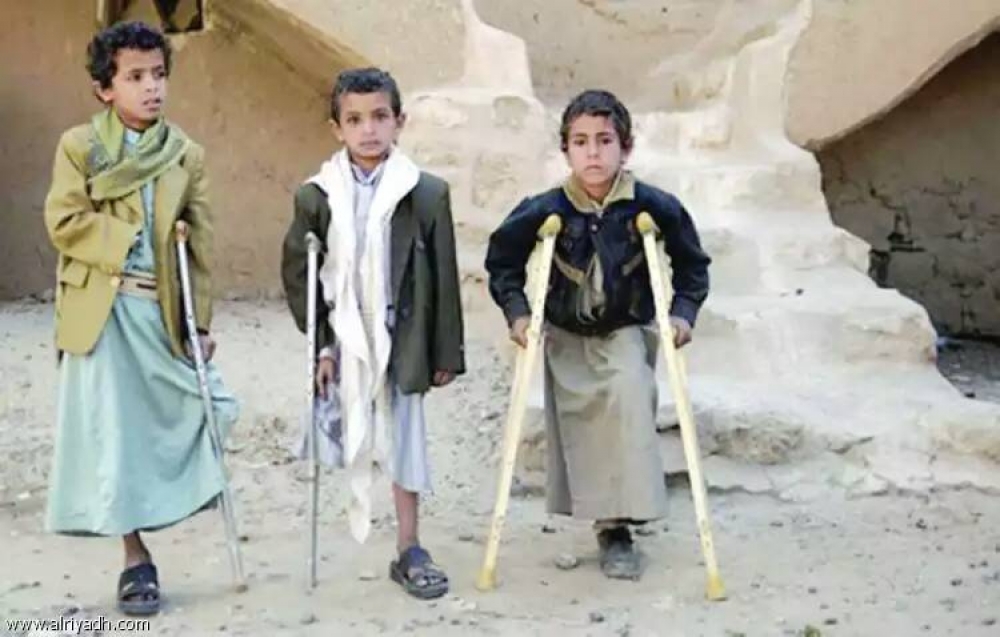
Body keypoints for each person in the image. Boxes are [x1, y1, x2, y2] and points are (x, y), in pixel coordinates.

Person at [43, 21, 238, 615]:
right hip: (101, 312)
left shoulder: (184, 154)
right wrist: (126, 235)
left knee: (212, 405)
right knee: (116, 435)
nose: (151, 87)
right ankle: (135, 559)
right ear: (105, 88)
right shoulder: (81, 147)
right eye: (135, 77)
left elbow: (200, 246)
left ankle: (174, 502)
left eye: (158, 75)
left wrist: (200, 325)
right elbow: (64, 220)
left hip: (159, 308)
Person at [484, 89, 711, 580]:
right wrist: (518, 314)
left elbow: (692, 264)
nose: (593, 152)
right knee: (582, 429)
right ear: (565, 149)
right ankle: (606, 520)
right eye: (581, 142)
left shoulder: (651, 206)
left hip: (625, 328)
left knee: (630, 396)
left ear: (625, 148)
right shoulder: (545, 209)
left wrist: (683, 314)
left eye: (605, 141)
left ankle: (618, 527)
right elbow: (502, 261)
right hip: (566, 333)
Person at [281, 67, 465, 600]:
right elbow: (301, 274)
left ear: (399, 122)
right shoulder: (317, 195)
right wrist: (321, 344)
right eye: (355, 119)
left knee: (405, 435)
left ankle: (409, 545)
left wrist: (444, 350)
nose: (368, 130)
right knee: (345, 430)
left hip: (401, 331)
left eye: (380, 117)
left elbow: (444, 276)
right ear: (336, 128)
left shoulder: (424, 192)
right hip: (345, 331)